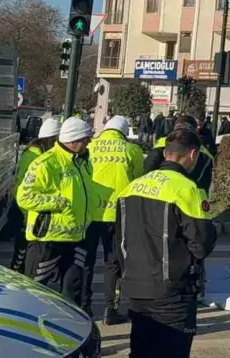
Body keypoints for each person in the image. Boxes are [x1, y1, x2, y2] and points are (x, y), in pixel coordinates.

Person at [117, 128, 217, 358]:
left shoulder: (132, 187)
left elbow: (119, 242)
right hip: (172, 292)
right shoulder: (188, 189)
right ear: (193, 155)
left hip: (136, 287)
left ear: (165, 153)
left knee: (141, 353)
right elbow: (201, 245)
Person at [18, 117, 94, 307]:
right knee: (36, 294)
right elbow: (24, 197)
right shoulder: (46, 164)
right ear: (73, 140)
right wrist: (57, 202)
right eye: (86, 139)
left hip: (76, 238)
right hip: (48, 241)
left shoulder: (83, 161)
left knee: (72, 295)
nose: (89, 143)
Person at [85, 115, 145, 324]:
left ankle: (83, 307)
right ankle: (111, 309)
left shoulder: (90, 147)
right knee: (113, 263)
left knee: (85, 260)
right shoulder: (132, 151)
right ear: (124, 132)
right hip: (119, 214)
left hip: (90, 214)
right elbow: (138, 181)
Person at [9, 117, 60, 273]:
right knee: (22, 252)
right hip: (27, 211)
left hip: (27, 210)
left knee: (22, 251)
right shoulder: (37, 157)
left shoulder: (32, 152)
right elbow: (24, 186)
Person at [146, 115, 214, 192]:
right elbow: (204, 185)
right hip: (188, 196)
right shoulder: (204, 153)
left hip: (156, 191)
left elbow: (148, 168)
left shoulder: (162, 144)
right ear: (195, 130)